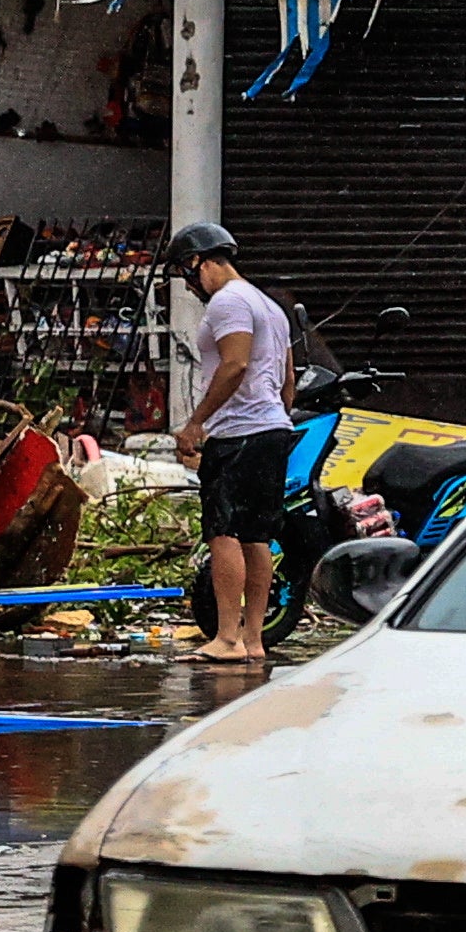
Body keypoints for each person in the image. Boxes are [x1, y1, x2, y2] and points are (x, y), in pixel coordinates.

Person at [169, 222, 295, 666]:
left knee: (224, 532)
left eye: (187, 273)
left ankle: (226, 637)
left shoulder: (228, 302)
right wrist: (275, 418)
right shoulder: (269, 305)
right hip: (271, 428)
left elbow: (235, 363)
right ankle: (253, 639)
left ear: (198, 262)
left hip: (239, 433)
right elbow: (287, 380)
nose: (190, 284)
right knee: (256, 537)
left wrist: (195, 424)